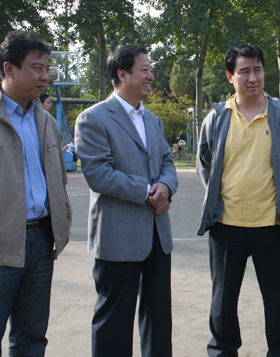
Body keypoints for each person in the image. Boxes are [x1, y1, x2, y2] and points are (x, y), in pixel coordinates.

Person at [0, 30, 72, 356]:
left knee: (32, 337)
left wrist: (61, 225)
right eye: (37, 68)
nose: (45, 77)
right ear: (9, 69)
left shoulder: (46, 122)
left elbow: (58, 181)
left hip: (41, 243)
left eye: (46, 69)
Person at [197, 45, 280, 357]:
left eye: (258, 70)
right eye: (244, 71)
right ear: (230, 76)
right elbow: (206, 164)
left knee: (279, 300)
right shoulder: (217, 118)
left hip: (273, 224)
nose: (253, 78)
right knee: (223, 301)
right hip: (226, 225)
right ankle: (222, 351)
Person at [75, 45, 178, 357]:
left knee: (158, 319)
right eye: (144, 70)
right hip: (117, 237)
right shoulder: (93, 119)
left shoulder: (153, 121)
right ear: (122, 74)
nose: (151, 76)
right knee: (114, 322)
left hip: (157, 235)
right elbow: (99, 174)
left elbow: (167, 163)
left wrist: (166, 186)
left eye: (151, 70)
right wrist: (148, 192)